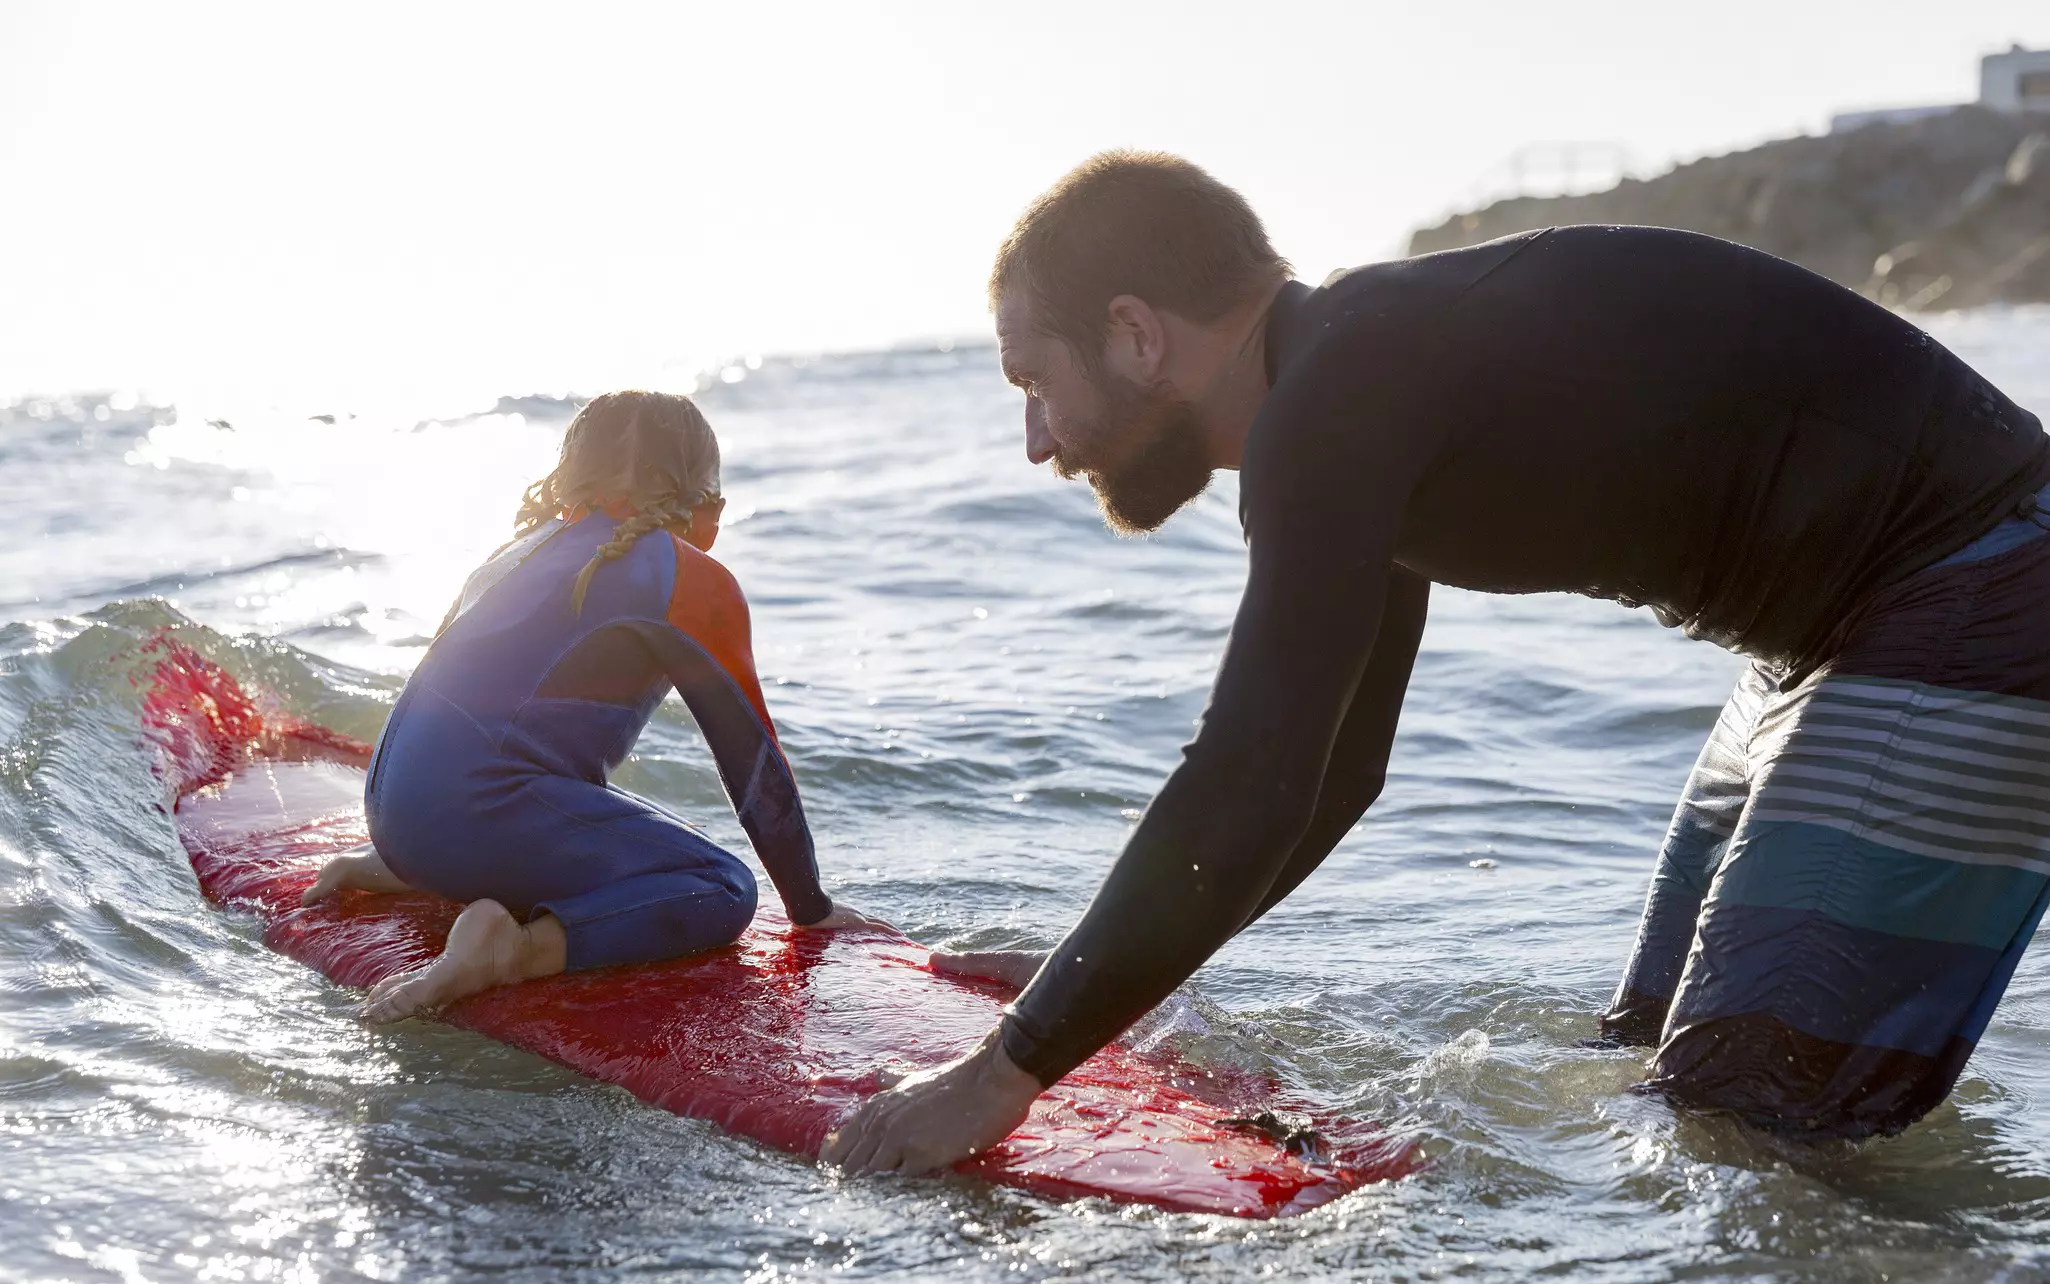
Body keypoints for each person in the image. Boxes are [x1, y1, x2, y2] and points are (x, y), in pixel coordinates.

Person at [823, 151, 2050, 1174]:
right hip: (1851, 629)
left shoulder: (1341, 389)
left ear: (1136, 334)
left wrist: (1003, 1072)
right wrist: (1098, 980)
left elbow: (1251, 771)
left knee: (1748, 1125)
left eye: (1032, 380)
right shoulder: (1357, 368)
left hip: (1979, 583)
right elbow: (1333, 766)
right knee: (1653, 1058)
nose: (1036, 441)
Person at [304, 389, 876, 1021]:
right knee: (722, 887)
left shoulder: (510, 554)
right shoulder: (687, 581)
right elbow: (755, 768)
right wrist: (810, 909)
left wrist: (415, 846)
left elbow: (442, 703)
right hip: (469, 822)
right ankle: (510, 950)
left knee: (537, 779)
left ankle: (417, 868)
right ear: (706, 501)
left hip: (396, 818)